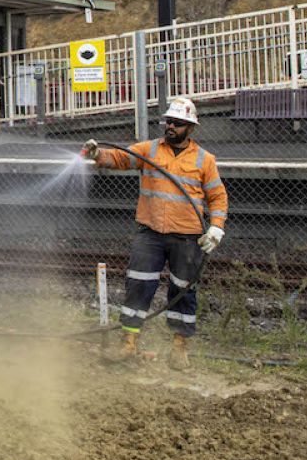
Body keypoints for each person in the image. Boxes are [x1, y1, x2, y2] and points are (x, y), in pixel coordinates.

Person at [81, 96, 227, 370]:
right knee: (138, 285)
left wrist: (216, 227)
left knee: (183, 291)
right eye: (169, 121)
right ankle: (129, 343)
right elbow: (120, 158)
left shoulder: (204, 160)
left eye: (178, 123)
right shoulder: (149, 150)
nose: (171, 126)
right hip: (150, 233)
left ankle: (180, 348)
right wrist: (97, 154)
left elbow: (217, 196)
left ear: (190, 128)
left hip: (187, 236)